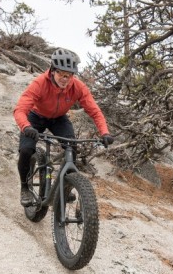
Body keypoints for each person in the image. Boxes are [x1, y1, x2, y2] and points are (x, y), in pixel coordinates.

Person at [14, 48, 114, 206]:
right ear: (53, 70)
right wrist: (26, 127)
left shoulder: (78, 87)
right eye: (61, 73)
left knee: (71, 146)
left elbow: (94, 111)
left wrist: (105, 132)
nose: (65, 78)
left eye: (69, 75)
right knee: (26, 150)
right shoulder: (39, 83)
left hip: (59, 118)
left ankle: (65, 187)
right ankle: (25, 188)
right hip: (35, 117)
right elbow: (20, 109)